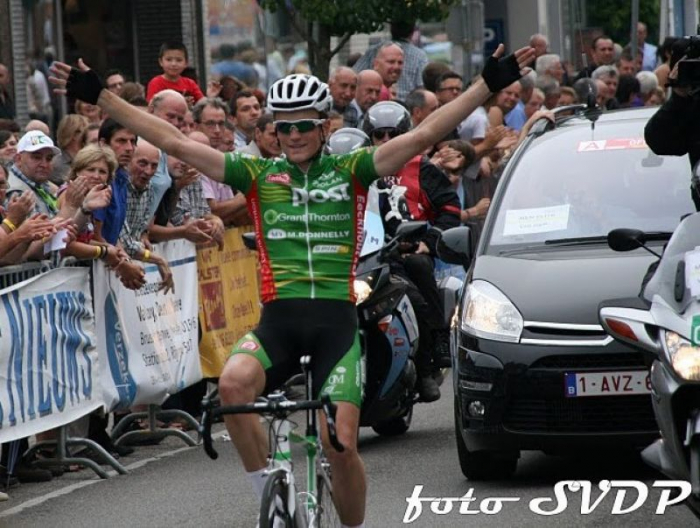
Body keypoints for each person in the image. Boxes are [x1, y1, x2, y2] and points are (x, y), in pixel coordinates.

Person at [50, 43, 534, 527]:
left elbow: (425, 132)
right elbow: (175, 142)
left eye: (304, 125)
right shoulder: (257, 174)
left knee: (338, 444)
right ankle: (271, 494)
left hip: (335, 327)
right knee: (233, 385)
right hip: (278, 324)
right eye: (284, 127)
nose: (294, 135)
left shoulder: (352, 169)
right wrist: (102, 98)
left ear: (324, 127)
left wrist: (486, 85)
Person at [362, 101, 461, 400]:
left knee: (417, 281)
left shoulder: (422, 167)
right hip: (367, 254)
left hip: (411, 248)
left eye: (394, 134)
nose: (387, 141)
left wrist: (428, 242)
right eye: (379, 135)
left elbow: (450, 209)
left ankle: (428, 360)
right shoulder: (357, 170)